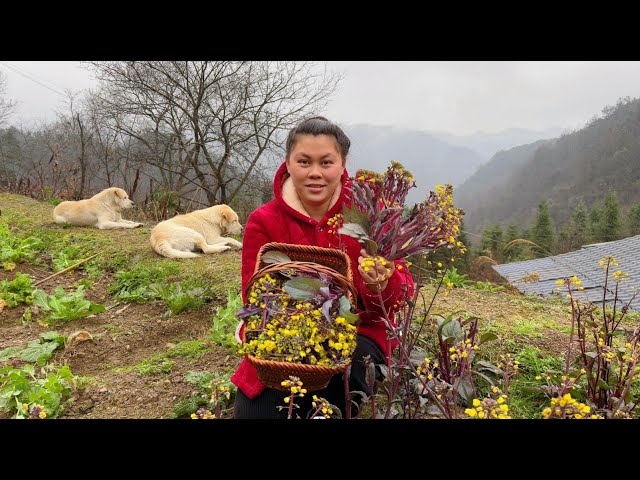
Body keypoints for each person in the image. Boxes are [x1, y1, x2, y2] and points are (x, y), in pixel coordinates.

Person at [231, 116, 415, 419]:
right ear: (288, 164)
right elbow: (254, 295)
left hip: (358, 332)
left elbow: (400, 294)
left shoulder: (368, 213)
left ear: (342, 165)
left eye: (326, 163)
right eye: (304, 162)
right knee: (256, 412)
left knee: (329, 400)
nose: (315, 173)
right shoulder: (264, 220)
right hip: (286, 332)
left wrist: (381, 283)